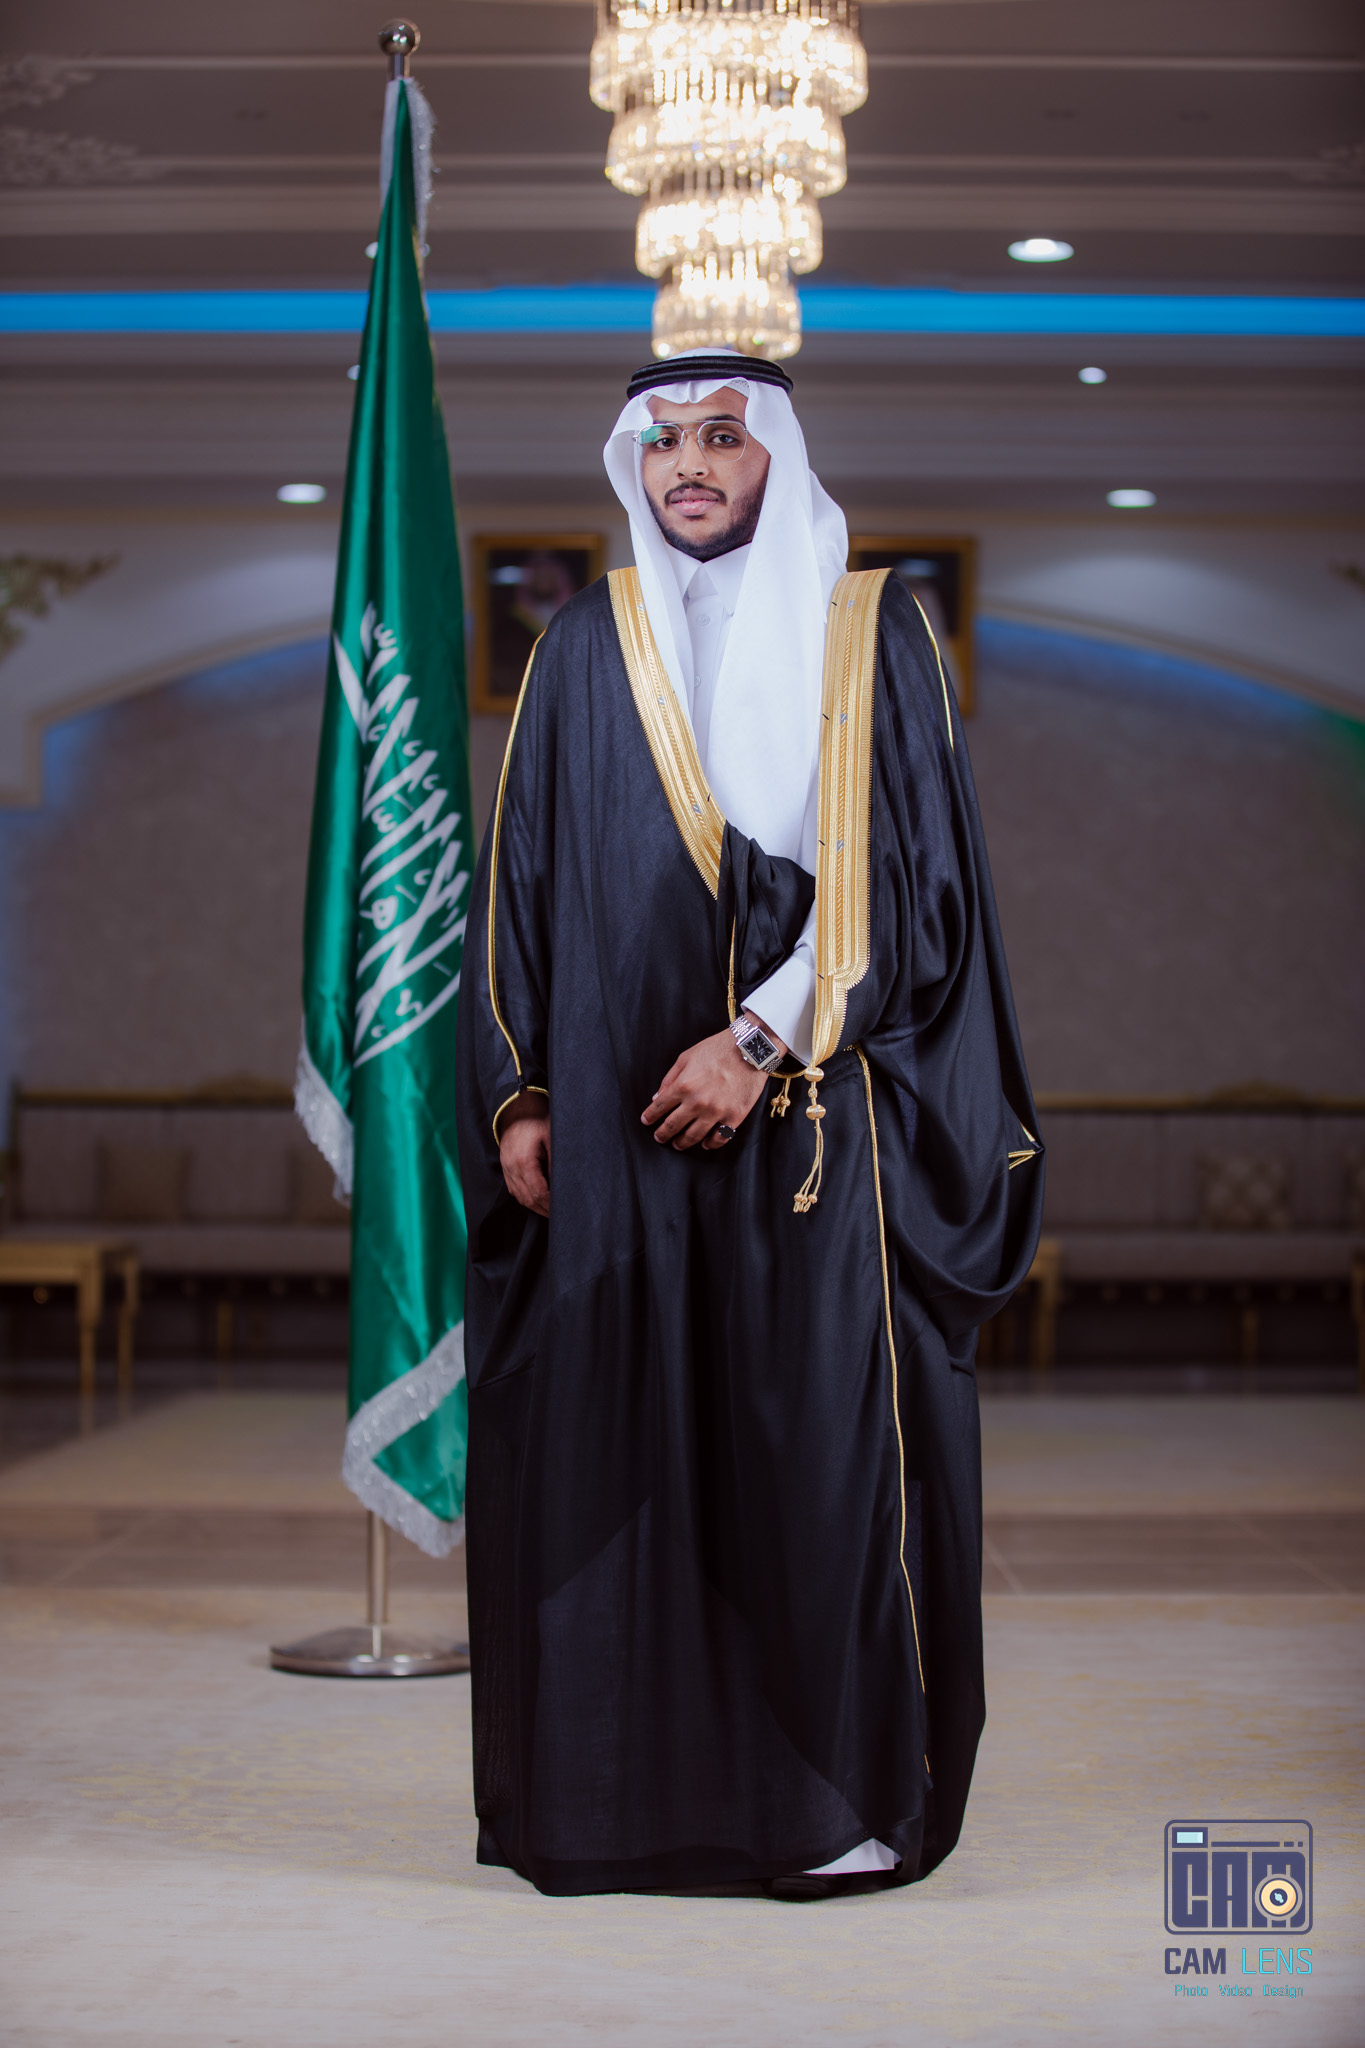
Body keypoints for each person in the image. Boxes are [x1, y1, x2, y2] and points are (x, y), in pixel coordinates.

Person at [456, 348, 1044, 1900]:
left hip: (810, 1142)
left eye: (721, 435)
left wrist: (755, 1038)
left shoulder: (871, 628)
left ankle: (835, 1802)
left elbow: (911, 882)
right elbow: (522, 881)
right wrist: (519, 1094)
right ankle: (613, 1807)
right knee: (622, 1452)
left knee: (812, 1470)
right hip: (616, 1142)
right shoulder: (582, 641)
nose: (689, 465)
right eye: (662, 444)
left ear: (775, 454)